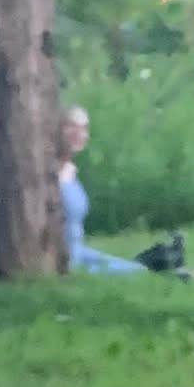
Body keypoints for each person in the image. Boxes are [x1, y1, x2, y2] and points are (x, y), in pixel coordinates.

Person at [57, 108, 136, 274]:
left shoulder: (71, 170)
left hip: (79, 250)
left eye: (84, 128)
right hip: (62, 259)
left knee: (141, 270)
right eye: (71, 126)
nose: (79, 133)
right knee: (132, 274)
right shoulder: (49, 174)